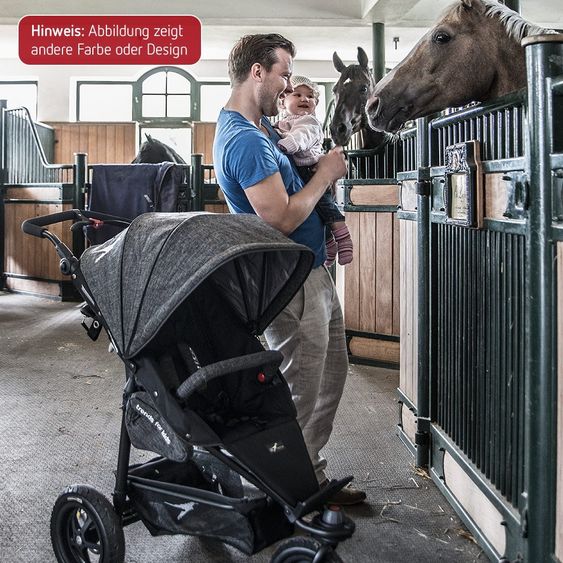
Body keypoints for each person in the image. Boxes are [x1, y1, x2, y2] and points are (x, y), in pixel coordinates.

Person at [212, 33, 366, 505]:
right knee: (302, 385)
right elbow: (279, 218)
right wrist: (326, 175)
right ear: (257, 72)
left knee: (329, 374)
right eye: (283, 74)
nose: (287, 85)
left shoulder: (259, 129)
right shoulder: (245, 141)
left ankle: (307, 474)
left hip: (309, 270)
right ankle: (282, 491)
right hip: (289, 280)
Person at [275, 75, 353, 267]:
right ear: (283, 102)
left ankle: (343, 238)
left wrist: (288, 144)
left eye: (310, 97)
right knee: (315, 212)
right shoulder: (284, 122)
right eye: (298, 94)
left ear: (315, 104)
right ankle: (329, 244)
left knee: (326, 207)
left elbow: (303, 136)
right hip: (300, 171)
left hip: (312, 169)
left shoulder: (309, 121)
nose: (305, 99)